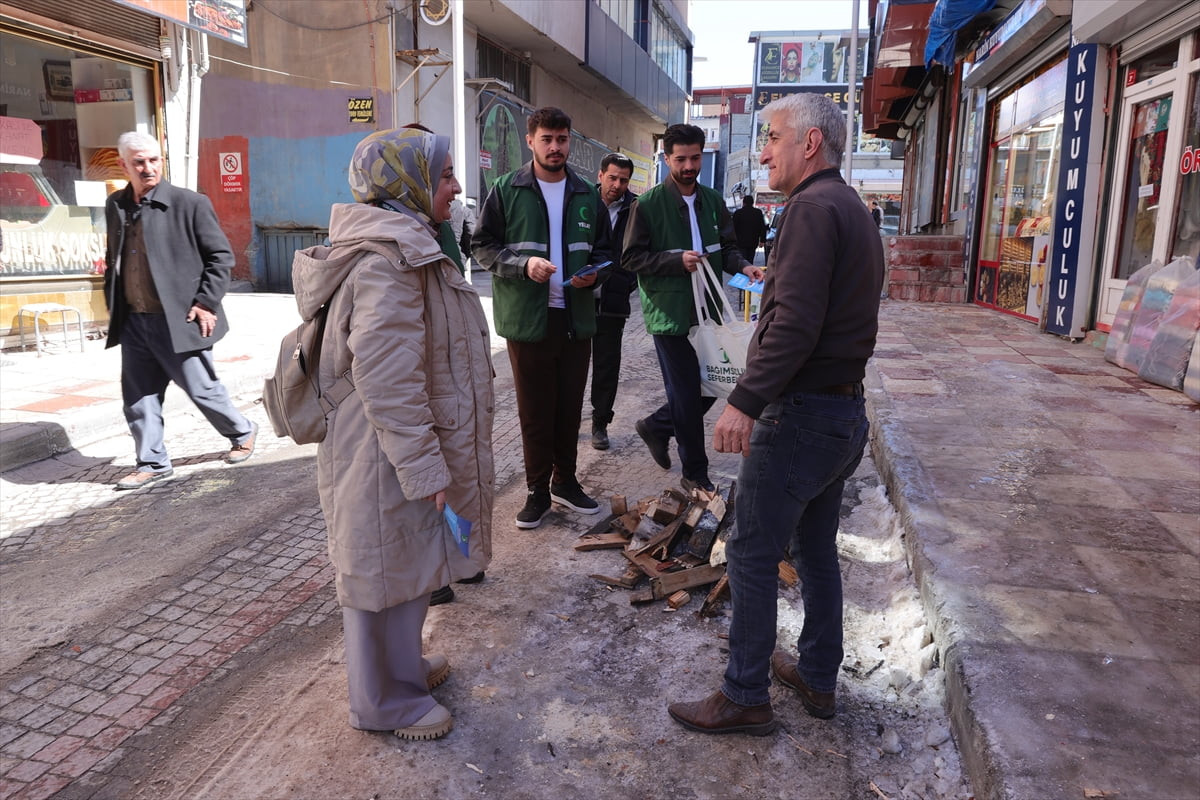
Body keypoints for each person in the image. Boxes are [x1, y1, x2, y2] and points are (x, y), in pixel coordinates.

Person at [667, 93, 884, 735]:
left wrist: (744, 400)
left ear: (809, 143)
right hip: (839, 412)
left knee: (751, 551)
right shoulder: (848, 207)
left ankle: (744, 695)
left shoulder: (812, 209)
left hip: (804, 415)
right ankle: (817, 676)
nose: (762, 153)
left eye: (771, 138)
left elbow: (792, 323)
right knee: (813, 547)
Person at [292, 128, 494, 741]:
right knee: (381, 569)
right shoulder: (388, 260)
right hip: (381, 447)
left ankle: (402, 669)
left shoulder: (406, 244)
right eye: (445, 176)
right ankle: (381, 701)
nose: (455, 187)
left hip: (394, 443)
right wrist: (425, 465)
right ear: (407, 184)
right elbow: (387, 376)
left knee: (407, 561)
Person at [472, 107, 610, 529]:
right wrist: (523, 265)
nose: (555, 147)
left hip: (575, 319)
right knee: (535, 412)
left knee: (569, 408)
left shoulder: (587, 194)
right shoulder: (506, 189)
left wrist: (595, 274)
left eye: (562, 139)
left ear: (570, 141)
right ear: (530, 141)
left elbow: (606, 251)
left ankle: (565, 482)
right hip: (528, 321)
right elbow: (482, 246)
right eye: (547, 139)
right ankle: (537, 491)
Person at [103, 131, 257, 490]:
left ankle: (243, 431)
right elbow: (115, 257)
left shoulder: (189, 203)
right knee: (139, 396)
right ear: (124, 165)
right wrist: (113, 305)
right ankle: (152, 462)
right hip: (134, 319)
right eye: (139, 162)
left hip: (179, 318)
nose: (148, 168)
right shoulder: (116, 205)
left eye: (154, 160)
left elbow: (221, 258)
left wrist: (205, 302)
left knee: (202, 389)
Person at [623, 123, 763, 494]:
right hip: (670, 314)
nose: (689, 166)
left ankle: (657, 426)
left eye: (695, 158)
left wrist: (744, 266)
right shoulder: (647, 205)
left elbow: (726, 248)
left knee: (712, 383)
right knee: (686, 392)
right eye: (681, 159)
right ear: (666, 158)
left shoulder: (713, 202)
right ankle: (695, 473)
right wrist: (675, 261)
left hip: (708, 311)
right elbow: (631, 258)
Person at [590, 152, 638, 451]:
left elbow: (641, 250)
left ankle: (600, 423)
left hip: (614, 300)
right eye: (612, 178)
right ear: (600, 176)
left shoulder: (636, 208)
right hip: (577, 299)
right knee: (570, 367)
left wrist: (627, 281)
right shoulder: (582, 201)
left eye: (623, 180)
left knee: (607, 366)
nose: (617, 185)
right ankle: (566, 420)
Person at [732, 195, 767, 264]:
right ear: (752, 203)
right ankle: (749, 269)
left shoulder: (738, 213)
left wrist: (732, 240)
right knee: (750, 259)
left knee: (742, 259)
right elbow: (762, 227)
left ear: (743, 203)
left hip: (740, 241)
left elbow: (733, 227)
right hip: (753, 241)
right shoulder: (758, 212)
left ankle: (744, 269)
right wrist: (762, 240)